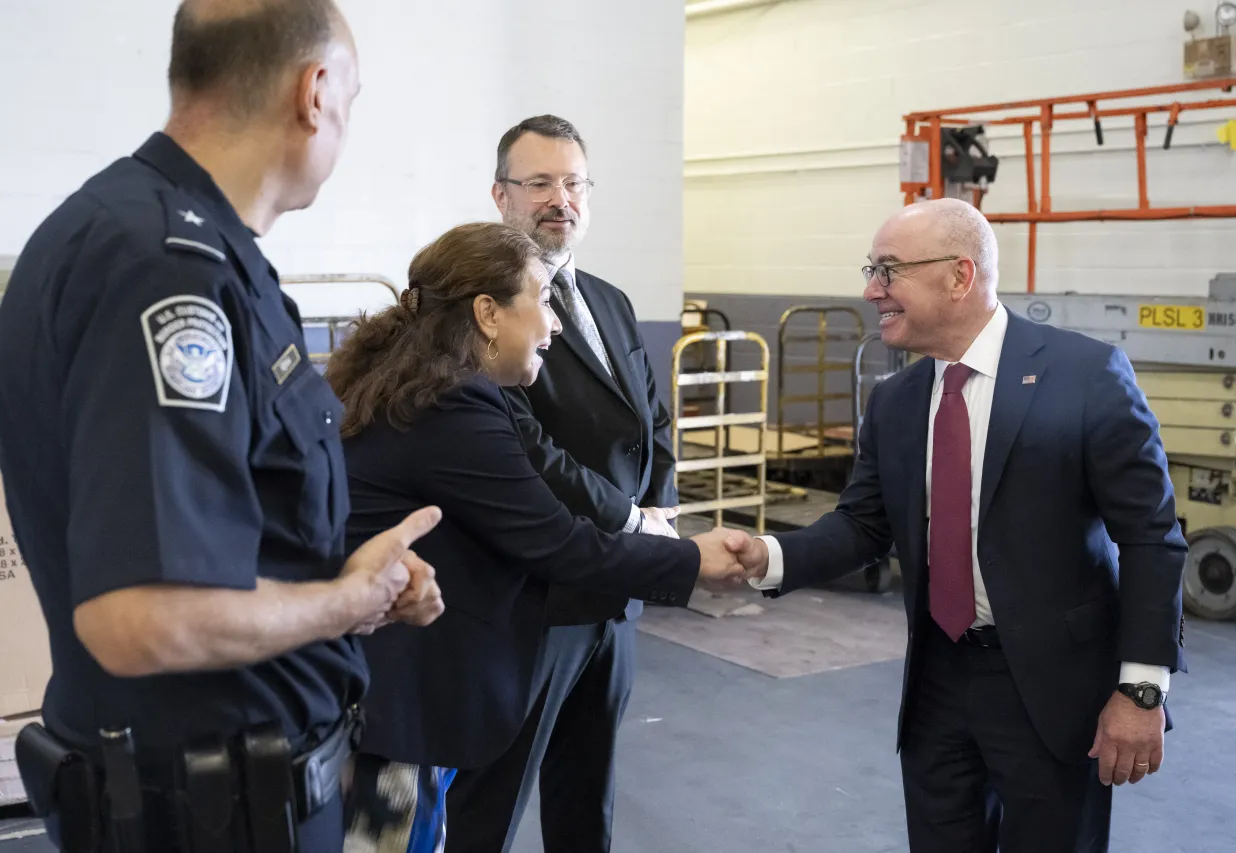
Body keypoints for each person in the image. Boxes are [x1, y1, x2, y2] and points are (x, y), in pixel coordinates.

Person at [0, 2, 444, 850]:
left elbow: (231, 539)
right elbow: (143, 618)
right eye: (352, 99)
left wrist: (348, 594)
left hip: (221, 793)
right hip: (211, 812)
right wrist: (344, 602)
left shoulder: (163, 242)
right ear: (315, 93)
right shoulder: (164, 268)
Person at [730, 198, 1188, 853]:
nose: (871, 290)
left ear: (959, 275)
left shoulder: (1086, 377)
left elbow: (1151, 538)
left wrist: (1140, 688)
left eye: (888, 271)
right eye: (872, 270)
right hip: (937, 681)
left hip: (1052, 691)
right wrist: (765, 555)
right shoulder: (897, 401)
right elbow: (863, 525)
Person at [329, 221, 745, 852]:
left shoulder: (411, 383)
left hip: (375, 690)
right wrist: (689, 560)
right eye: (543, 301)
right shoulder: (453, 404)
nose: (553, 324)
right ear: (488, 313)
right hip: (397, 710)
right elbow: (557, 543)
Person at [440, 114, 677, 853]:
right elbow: (528, 448)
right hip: (528, 603)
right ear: (500, 196)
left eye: (573, 183)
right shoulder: (478, 309)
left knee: (588, 799)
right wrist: (633, 524)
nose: (559, 199)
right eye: (539, 182)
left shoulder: (609, 300)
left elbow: (650, 424)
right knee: (491, 807)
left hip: (613, 600)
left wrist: (658, 514)